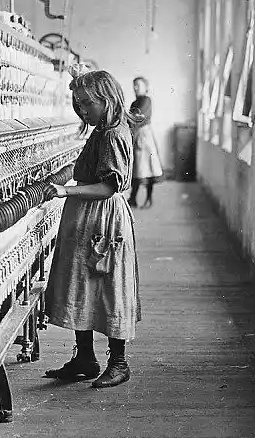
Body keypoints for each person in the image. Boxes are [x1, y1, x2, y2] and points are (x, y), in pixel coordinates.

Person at [43, 69, 142, 388]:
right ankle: (85, 358)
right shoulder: (103, 130)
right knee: (82, 286)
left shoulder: (113, 133)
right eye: (77, 103)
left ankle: (119, 363)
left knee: (109, 289)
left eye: (87, 103)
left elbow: (108, 187)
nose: (81, 109)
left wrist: (65, 190)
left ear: (108, 99)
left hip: (103, 219)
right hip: (88, 219)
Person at [128, 77, 164, 208]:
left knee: (148, 168)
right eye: (134, 85)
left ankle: (148, 198)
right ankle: (133, 198)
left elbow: (138, 117)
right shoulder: (134, 102)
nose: (135, 88)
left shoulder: (146, 100)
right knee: (138, 168)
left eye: (138, 85)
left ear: (145, 87)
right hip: (137, 135)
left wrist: (128, 119)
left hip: (144, 137)